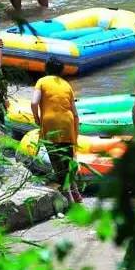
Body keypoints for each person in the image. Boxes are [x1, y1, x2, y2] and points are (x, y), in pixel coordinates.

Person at [31, 57, 82, 204]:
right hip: (68, 122)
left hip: (50, 122)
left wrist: (36, 118)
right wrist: (75, 133)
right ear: (61, 71)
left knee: (57, 162)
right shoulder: (67, 85)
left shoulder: (41, 81)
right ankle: (76, 193)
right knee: (68, 160)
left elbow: (34, 102)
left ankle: (69, 199)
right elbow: (75, 113)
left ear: (46, 69)